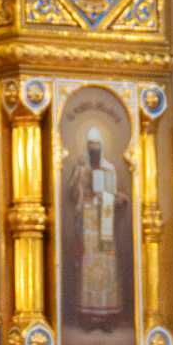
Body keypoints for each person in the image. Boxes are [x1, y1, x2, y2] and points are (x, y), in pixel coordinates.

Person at [60, 125, 132, 333]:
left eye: (97, 146)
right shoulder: (82, 167)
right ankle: (88, 317)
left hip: (105, 221)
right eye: (91, 146)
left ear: (101, 147)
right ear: (87, 146)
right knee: (87, 265)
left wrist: (113, 197)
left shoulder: (109, 168)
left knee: (107, 266)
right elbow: (73, 194)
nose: (94, 149)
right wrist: (79, 174)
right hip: (88, 221)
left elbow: (114, 193)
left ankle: (107, 316)